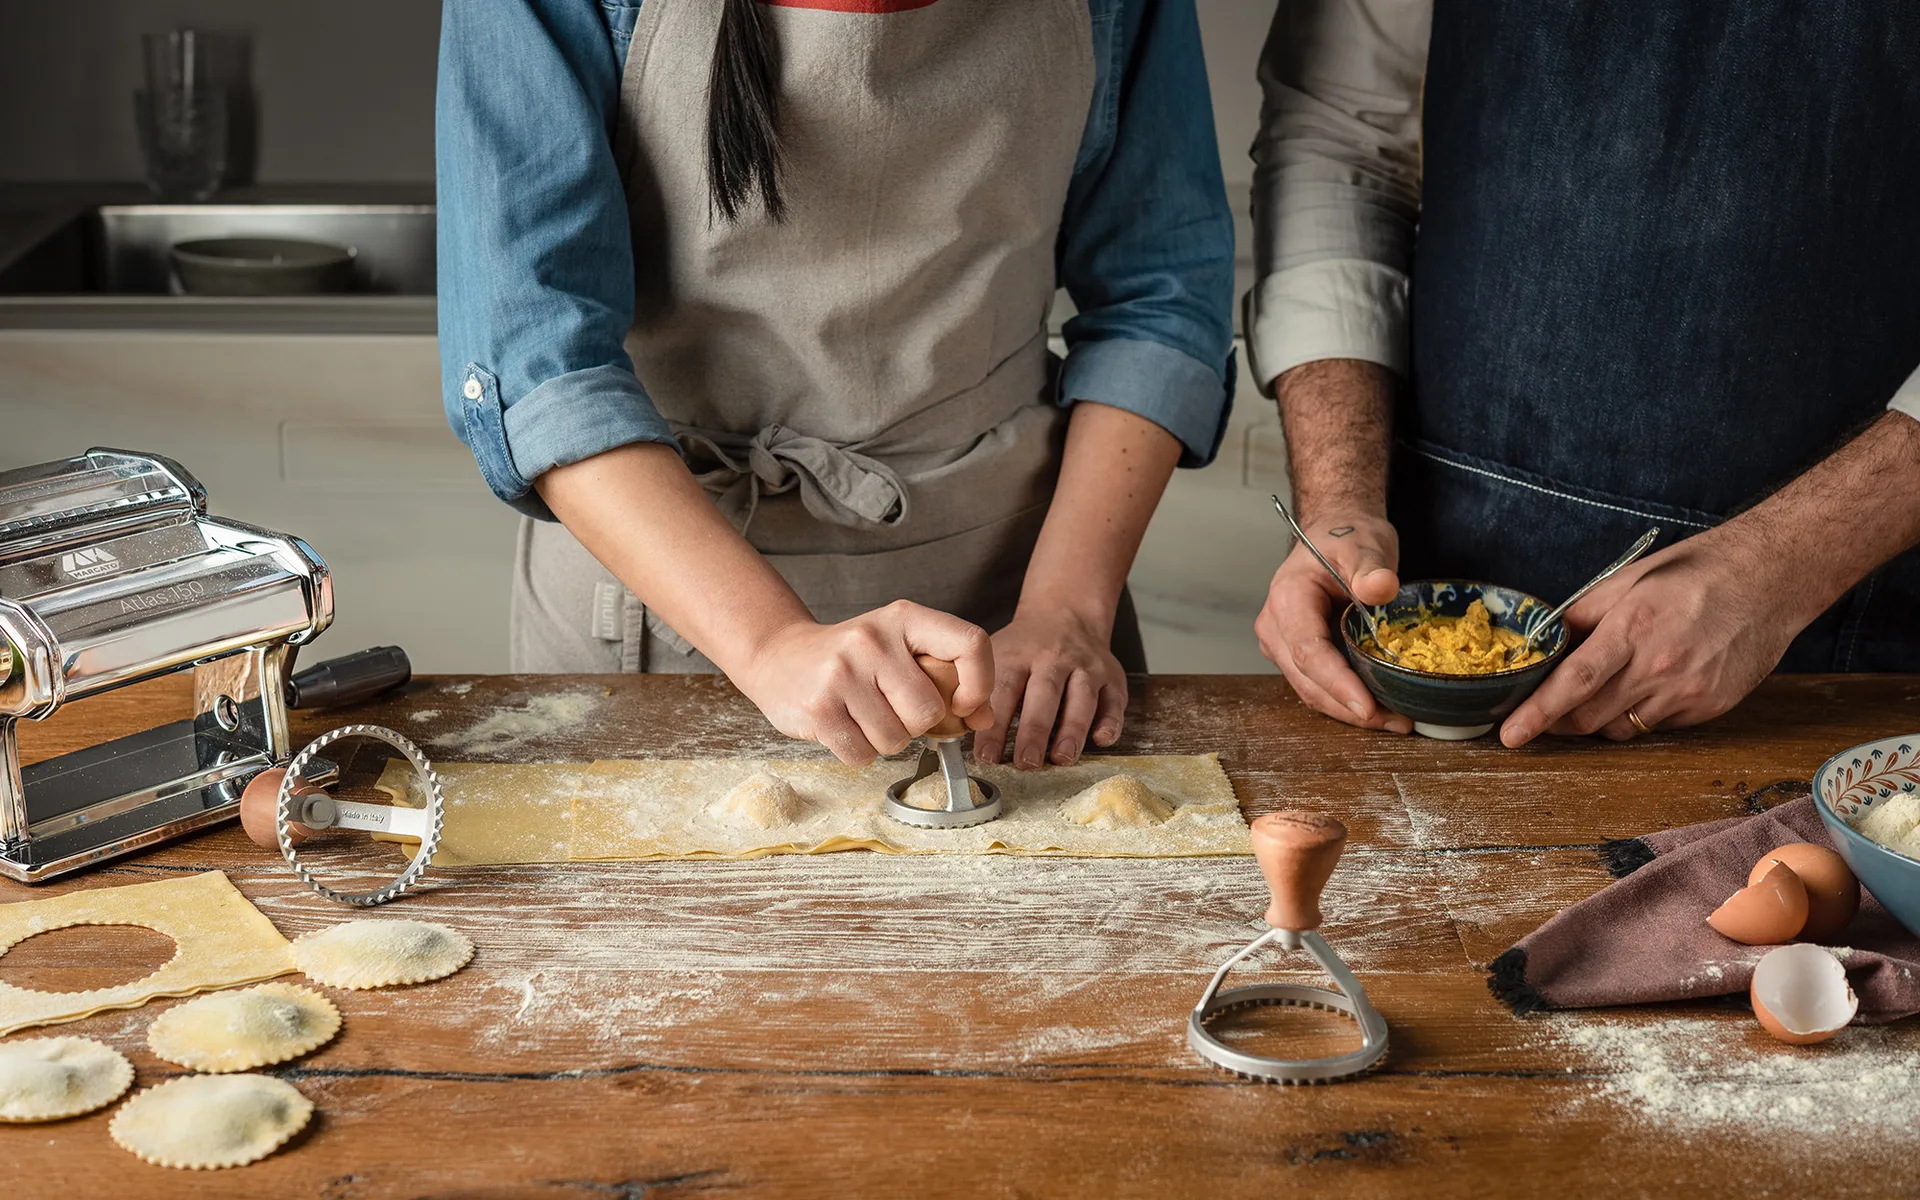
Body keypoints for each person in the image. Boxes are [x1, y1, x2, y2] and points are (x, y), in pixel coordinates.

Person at [437, 0, 1235, 769]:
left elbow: (1157, 292)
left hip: (1022, 604)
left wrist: (1068, 609)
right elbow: (541, 352)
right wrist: (770, 641)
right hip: (659, 594)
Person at [1247, 0, 1920, 746]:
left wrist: (1787, 562)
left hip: (1845, 621)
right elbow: (1338, 140)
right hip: (1435, 561)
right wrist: (1339, 505)